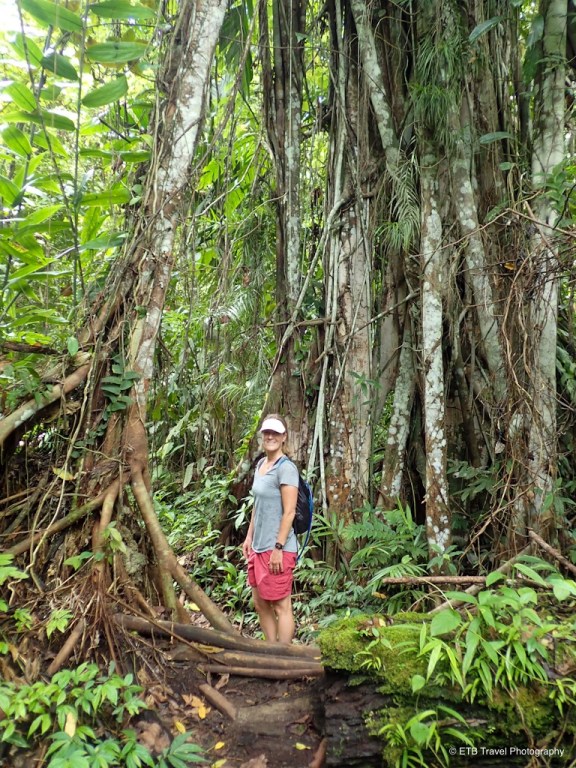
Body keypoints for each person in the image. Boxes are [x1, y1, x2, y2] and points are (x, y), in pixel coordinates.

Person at [242, 414, 299, 644]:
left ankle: (283, 657)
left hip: (278, 548)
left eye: (275, 433)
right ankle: (271, 650)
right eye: (267, 432)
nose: (270, 436)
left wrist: (278, 547)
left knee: (281, 605)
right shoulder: (260, 465)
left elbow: (289, 512)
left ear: (284, 437)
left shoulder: (286, 469)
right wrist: (249, 536)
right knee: (260, 603)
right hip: (258, 547)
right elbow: (257, 506)